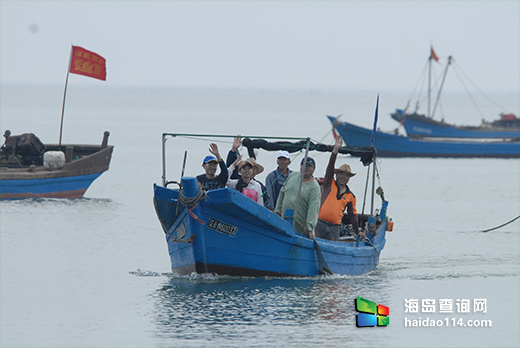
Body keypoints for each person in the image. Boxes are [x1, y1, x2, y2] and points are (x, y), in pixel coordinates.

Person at [316, 136, 363, 241]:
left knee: (332, 249)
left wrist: (357, 231)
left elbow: (353, 214)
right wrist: (335, 150)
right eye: (341, 174)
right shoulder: (329, 183)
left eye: (346, 175)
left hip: (335, 228)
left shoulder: (350, 196)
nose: (343, 177)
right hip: (320, 224)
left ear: (349, 178)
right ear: (336, 175)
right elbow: (330, 166)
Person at [274, 156, 321, 239]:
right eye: (303, 165)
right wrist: (277, 210)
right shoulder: (292, 176)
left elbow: (313, 208)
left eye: (309, 166)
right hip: (284, 220)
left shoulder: (314, 187)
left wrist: (310, 227)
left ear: (314, 169)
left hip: (300, 228)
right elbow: (282, 193)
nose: (306, 167)